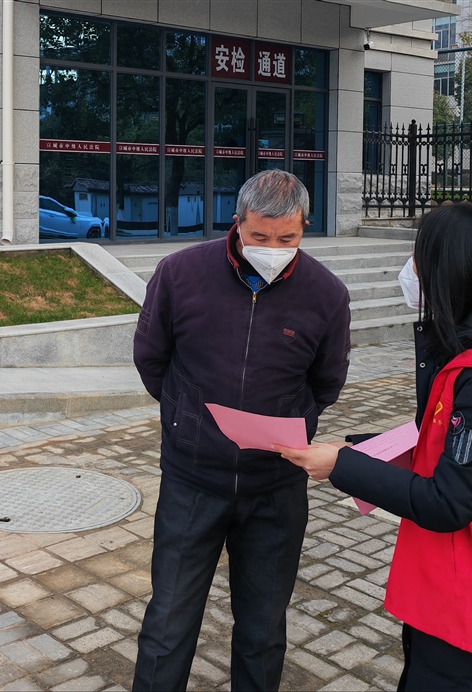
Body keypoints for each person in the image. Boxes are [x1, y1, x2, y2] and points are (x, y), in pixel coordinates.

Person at [278, 204, 472, 691]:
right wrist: (357, 448)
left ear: (451, 271)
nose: (412, 270)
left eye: (419, 259)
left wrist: (341, 466)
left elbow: (448, 501)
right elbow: (447, 441)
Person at [131, 169, 351, 691]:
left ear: (304, 226)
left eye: (287, 239)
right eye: (259, 236)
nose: (272, 249)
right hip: (192, 479)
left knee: (263, 628)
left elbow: (326, 382)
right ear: (237, 222)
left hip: (275, 486)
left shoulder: (326, 293)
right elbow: (152, 358)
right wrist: (188, 417)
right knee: (169, 621)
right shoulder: (180, 273)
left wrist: (285, 423)